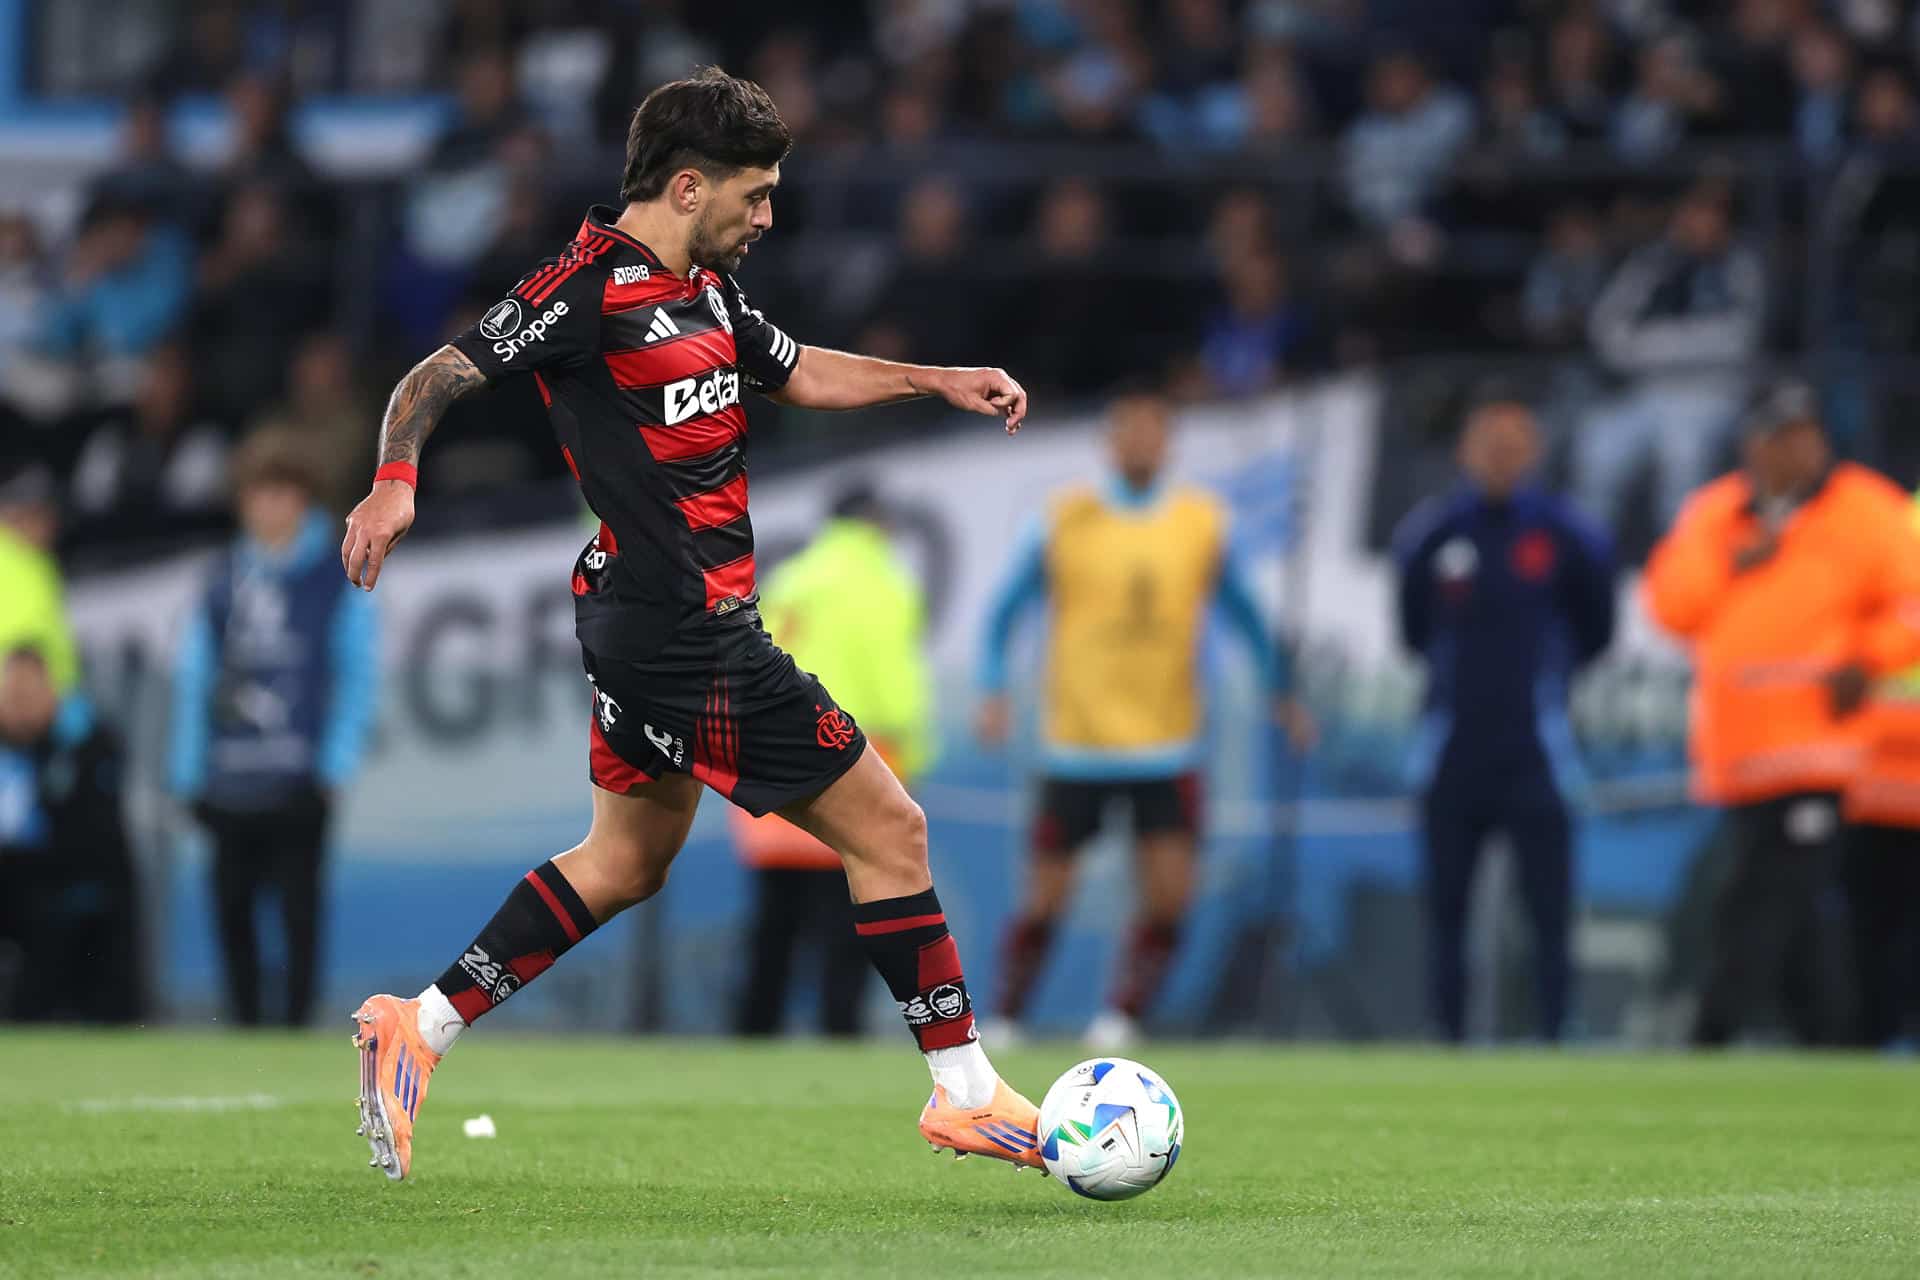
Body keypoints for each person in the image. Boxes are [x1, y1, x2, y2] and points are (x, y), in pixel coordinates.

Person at [337, 68, 1034, 1182]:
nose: (767, 217)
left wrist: (935, 379)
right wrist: (393, 481)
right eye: (754, 196)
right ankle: (965, 1091)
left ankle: (417, 1025)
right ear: (689, 183)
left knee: (624, 860)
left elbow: (798, 372)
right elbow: (439, 372)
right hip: (685, 635)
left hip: (641, 621)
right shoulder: (586, 286)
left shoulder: (705, 289)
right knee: (891, 831)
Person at [975, 389, 1309, 1048]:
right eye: (1129, 430)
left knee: (1168, 898)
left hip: (1168, 742)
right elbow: (1003, 610)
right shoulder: (1063, 517)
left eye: (1153, 431)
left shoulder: (1202, 521)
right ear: (1110, 439)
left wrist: (1280, 689)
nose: (1141, 443)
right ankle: (1007, 1017)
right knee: (1044, 898)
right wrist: (993, 689)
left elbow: (1244, 613)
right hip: (1077, 740)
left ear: (1170, 442)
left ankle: (1122, 1016)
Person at [1644, 381, 1920, 1047]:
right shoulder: (1717, 515)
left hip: (1821, 741)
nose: (1790, 450)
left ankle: (1712, 1031)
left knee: (1758, 897)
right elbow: (1672, 607)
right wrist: (1731, 563)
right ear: (1751, 445)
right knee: (1794, 909)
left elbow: (1911, 606)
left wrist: (1868, 659)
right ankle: (1831, 1040)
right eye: (1776, 436)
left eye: (1802, 435)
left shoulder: (1868, 508)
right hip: (1739, 750)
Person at [1392, 395, 1616, 1043]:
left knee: (1548, 908)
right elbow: (1412, 631)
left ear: (1534, 452)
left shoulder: (1568, 534)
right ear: (1466, 451)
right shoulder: (1432, 534)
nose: (1501, 455)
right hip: (1452, 750)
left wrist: (1548, 678)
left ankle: (1555, 1032)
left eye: (1514, 443)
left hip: (1538, 752)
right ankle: (1446, 1034)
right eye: (1489, 442)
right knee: (1446, 911)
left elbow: (1596, 629)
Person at [169, 430, 379, 1028]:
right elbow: (195, 678)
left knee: (298, 912)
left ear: (305, 500)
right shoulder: (221, 578)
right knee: (231, 910)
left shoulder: (335, 577)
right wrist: (186, 771)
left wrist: (335, 765)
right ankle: (242, 1028)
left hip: (297, 776)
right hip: (228, 776)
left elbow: (356, 674)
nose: (271, 508)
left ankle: (294, 1028)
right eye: (260, 494)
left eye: (283, 493)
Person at [731, 482, 935, 1038]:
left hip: (770, 763)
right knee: (852, 920)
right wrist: (911, 759)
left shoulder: (791, 579)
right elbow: (896, 685)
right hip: (852, 763)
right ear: (876, 522)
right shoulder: (883, 582)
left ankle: (751, 1035)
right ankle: (838, 1033)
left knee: (774, 924)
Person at [1578, 181, 1764, 534]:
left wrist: (1650, 346)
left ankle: (1679, 565)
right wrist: (1680, 346)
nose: (1698, 224)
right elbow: (1605, 332)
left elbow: (1737, 340)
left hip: (1712, 394)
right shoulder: (1652, 264)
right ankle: (1594, 561)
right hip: (1648, 391)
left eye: (1708, 215)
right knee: (1598, 448)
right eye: (1691, 213)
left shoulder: (1739, 266)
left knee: (1681, 458)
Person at [0, 645, 139, 1022]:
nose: (20, 704)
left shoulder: (85, 743)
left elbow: (92, 836)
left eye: (30, 692)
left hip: (60, 883)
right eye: (13, 693)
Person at [1840, 486, 1920, 1049]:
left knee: (1874, 919)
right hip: (1879, 761)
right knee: (1875, 916)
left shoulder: (1891, 518)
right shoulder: (1893, 522)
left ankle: (1869, 1035)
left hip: (1875, 756)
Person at [0, 464, 79, 696]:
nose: (51, 523)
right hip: (16, 699)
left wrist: (68, 690)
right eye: (40, 512)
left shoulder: (42, 562)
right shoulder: (6, 556)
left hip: (50, 699)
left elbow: (54, 636)